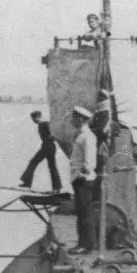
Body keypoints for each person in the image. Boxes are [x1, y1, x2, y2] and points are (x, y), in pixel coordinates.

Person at [68, 106, 98, 253]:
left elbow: (90, 161)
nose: (71, 120)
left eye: (73, 117)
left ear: (80, 119)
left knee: (85, 213)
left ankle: (86, 245)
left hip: (83, 180)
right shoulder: (81, 134)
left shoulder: (87, 136)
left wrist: (82, 174)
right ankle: (83, 243)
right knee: (82, 213)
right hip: (78, 178)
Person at [20, 111, 62, 192]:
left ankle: (27, 182)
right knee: (50, 166)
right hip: (47, 147)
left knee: (36, 162)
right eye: (32, 119)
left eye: (33, 119)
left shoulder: (45, 124)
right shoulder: (41, 124)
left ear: (38, 117)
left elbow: (55, 133)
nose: (33, 121)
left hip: (48, 147)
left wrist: (48, 139)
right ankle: (57, 188)